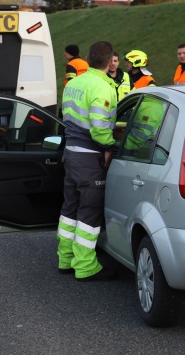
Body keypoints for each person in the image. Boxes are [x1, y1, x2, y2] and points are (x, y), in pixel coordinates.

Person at [58, 40, 118, 282]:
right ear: (109, 61)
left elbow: (68, 117)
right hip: (88, 157)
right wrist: (111, 146)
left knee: (69, 209)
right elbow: (99, 127)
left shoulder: (74, 83)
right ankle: (85, 266)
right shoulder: (102, 87)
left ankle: (65, 258)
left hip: (70, 154)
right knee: (89, 212)